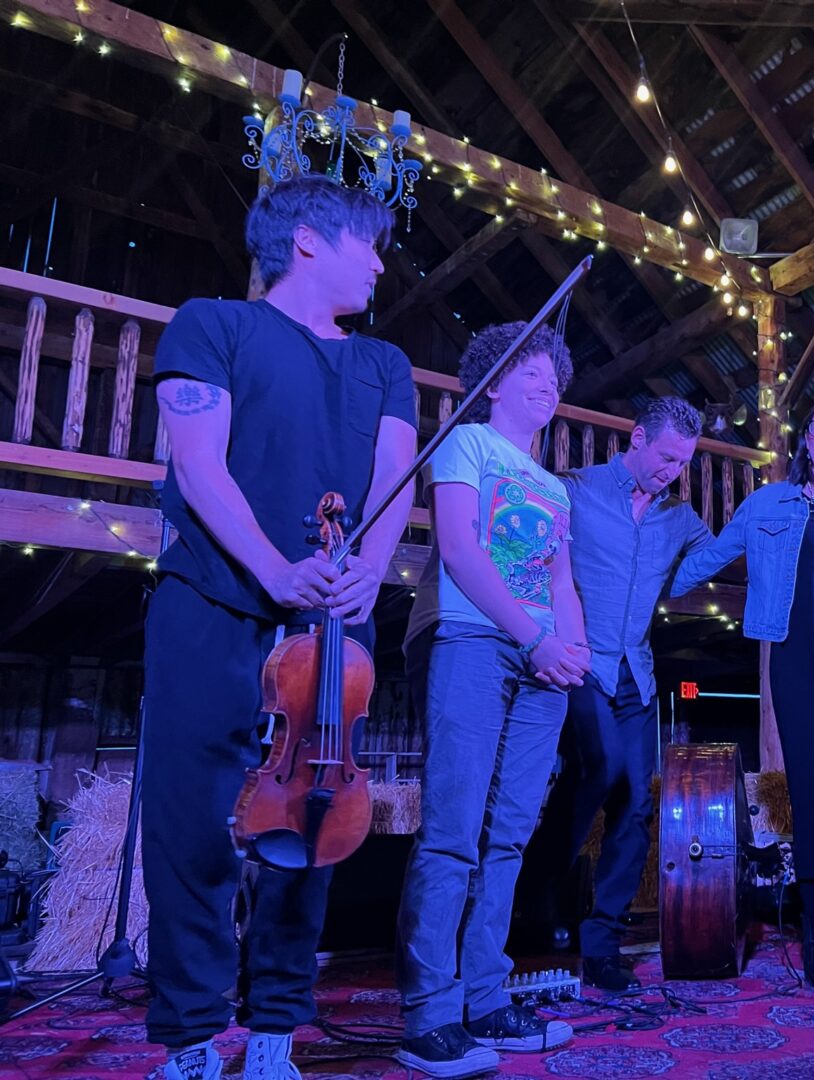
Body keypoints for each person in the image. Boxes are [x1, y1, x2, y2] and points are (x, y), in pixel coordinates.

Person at [143, 176, 417, 1080]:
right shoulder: (212, 325)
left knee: (312, 817)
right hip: (213, 595)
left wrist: (368, 570)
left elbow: (392, 481)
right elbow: (200, 465)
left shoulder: (383, 363)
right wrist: (273, 568)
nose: (380, 264)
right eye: (367, 244)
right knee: (189, 817)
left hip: (330, 613)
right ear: (307, 239)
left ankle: (274, 1030)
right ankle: (191, 1036)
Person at [395, 324, 588, 1076]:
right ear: (494, 381)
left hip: (544, 662)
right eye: (530, 371)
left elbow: (561, 579)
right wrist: (533, 638)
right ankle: (429, 1015)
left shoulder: (554, 488)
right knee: (453, 831)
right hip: (474, 640)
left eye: (554, 375)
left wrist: (572, 648)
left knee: (508, 835)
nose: (547, 383)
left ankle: (484, 998)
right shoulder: (466, 443)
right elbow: (460, 550)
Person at [672, 393, 814, 999]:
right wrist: (647, 583)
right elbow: (711, 557)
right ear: (805, 438)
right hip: (801, 659)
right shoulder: (771, 502)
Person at [526, 396, 714, 992]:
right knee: (598, 771)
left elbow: (714, 553)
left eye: (683, 463)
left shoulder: (679, 517)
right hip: (581, 662)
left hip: (637, 672)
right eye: (666, 458)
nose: (672, 472)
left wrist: (762, 528)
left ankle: (602, 943)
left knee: (635, 804)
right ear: (637, 438)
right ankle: (534, 901)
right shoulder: (574, 490)